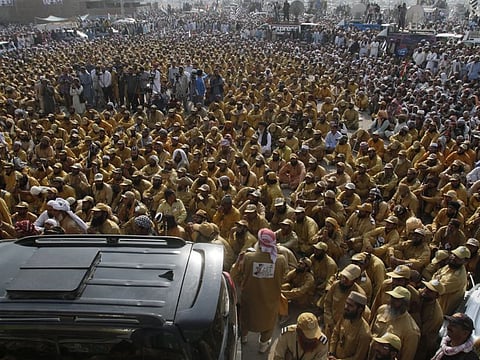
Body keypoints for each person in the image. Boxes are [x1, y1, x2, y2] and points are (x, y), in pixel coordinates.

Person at [231, 228, 287, 353]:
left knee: (246, 319)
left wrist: (237, 262)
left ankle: (243, 338)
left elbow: (234, 274)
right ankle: (263, 345)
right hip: (270, 299)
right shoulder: (280, 260)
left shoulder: (248, 257)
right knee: (268, 323)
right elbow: (283, 275)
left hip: (250, 298)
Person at [328, 291, 371, 360]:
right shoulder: (345, 317)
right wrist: (331, 352)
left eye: (350, 306)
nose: (346, 307)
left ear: (359, 310)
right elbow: (335, 334)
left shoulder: (365, 334)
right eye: (346, 303)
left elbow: (358, 357)